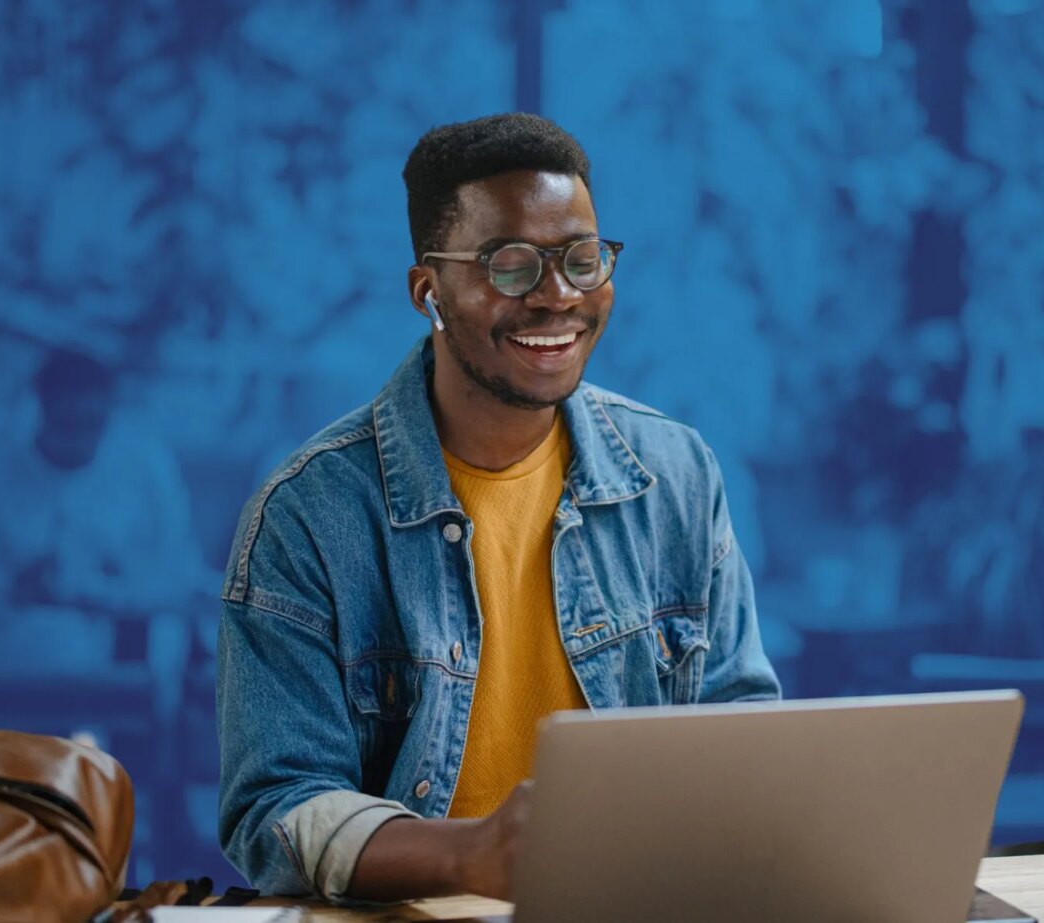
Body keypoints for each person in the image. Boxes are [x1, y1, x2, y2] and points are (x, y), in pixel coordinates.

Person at [217, 113, 780, 904]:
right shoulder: (308, 514)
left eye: (582, 259)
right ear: (429, 291)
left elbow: (742, 731)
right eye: (510, 265)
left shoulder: (676, 475)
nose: (558, 296)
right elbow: (276, 807)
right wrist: (469, 854)